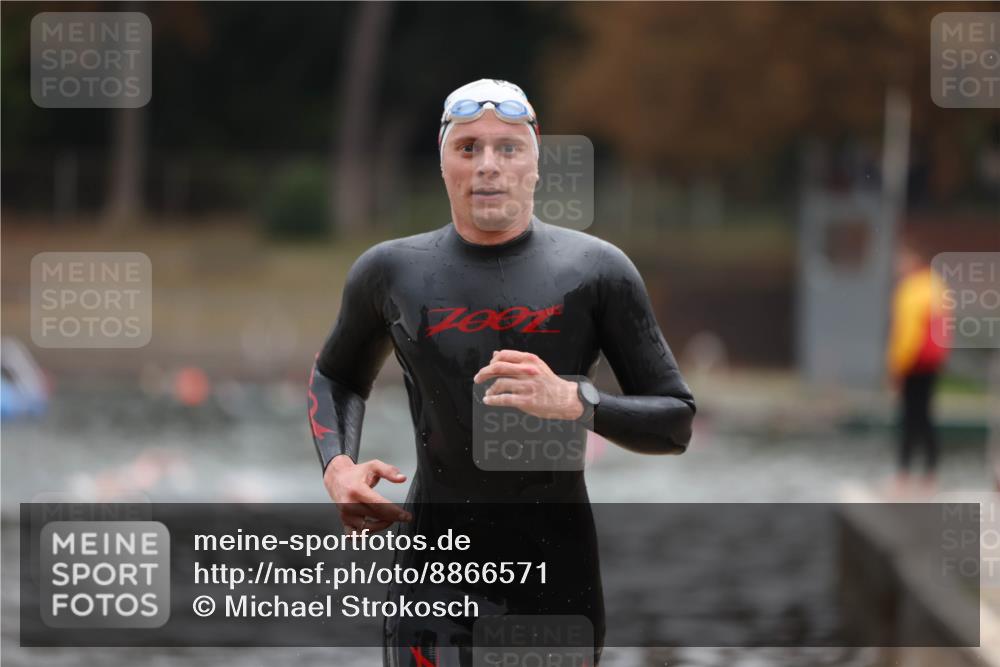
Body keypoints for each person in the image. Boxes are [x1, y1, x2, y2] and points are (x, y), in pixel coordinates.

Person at [308, 78, 696, 666]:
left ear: (536, 166)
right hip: (432, 582)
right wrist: (338, 467)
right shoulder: (390, 272)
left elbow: (676, 421)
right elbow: (336, 376)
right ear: (443, 164)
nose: (488, 165)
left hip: (556, 584)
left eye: (508, 148)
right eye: (468, 147)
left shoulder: (597, 271)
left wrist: (576, 401)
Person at [886, 242, 950, 496]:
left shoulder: (910, 289)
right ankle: (930, 473)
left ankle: (903, 474)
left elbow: (907, 334)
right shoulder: (937, 286)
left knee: (909, 417)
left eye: (901, 260)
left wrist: (896, 367)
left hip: (912, 363)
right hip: (931, 362)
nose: (897, 265)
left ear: (913, 260)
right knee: (925, 416)